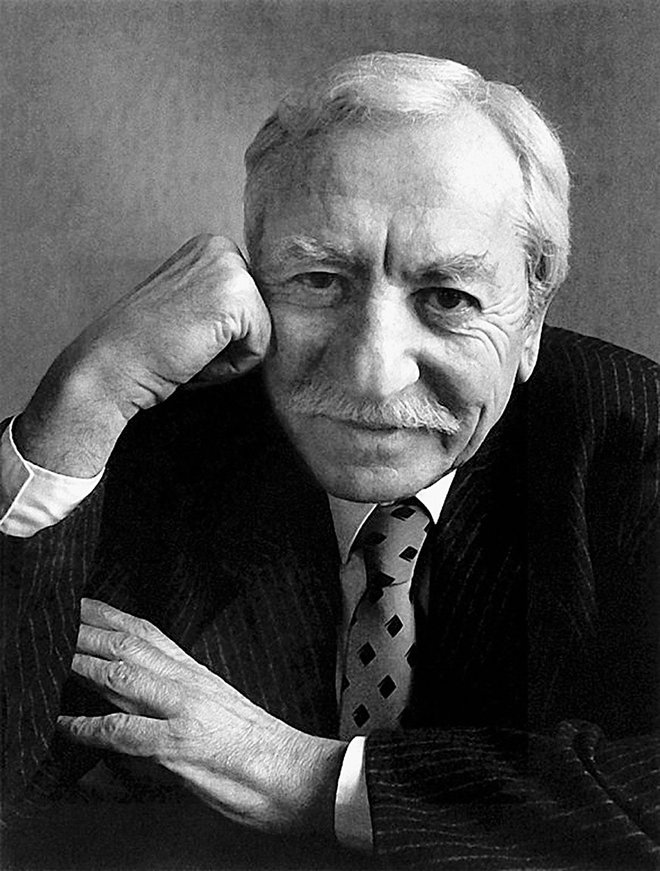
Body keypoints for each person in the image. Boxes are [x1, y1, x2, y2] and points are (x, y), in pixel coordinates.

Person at [1, 52, 658, 871]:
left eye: (447, 298)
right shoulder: (155, 441)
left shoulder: (635, 438)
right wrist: (81, 397)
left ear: (531, 319)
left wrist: (310, 778)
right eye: (318, 281)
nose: (372, 371)